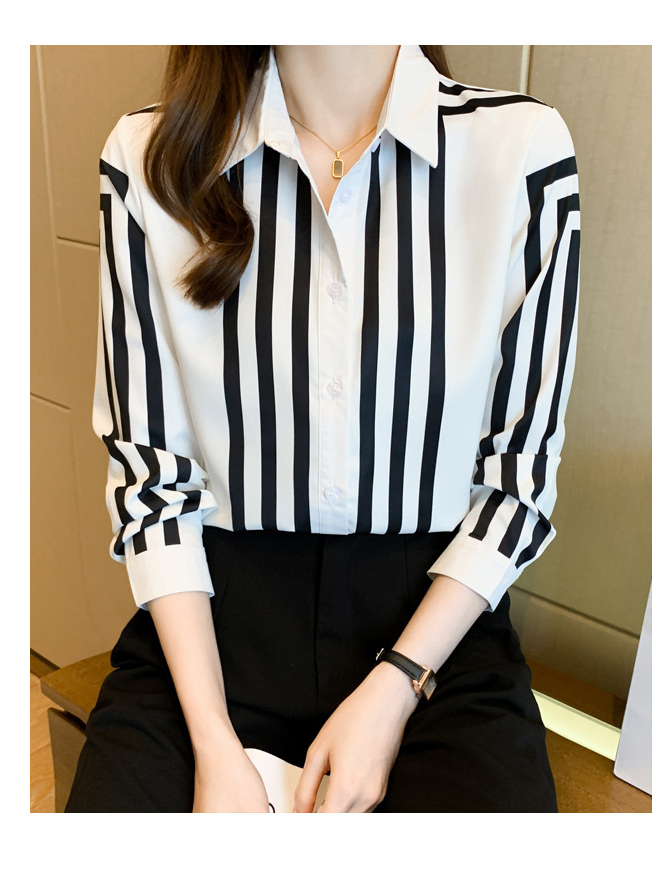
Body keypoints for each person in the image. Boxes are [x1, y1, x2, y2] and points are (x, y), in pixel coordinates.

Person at [65, 45, 580, 813]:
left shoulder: (520, 150)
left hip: (434, 630)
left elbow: (519, 478)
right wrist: (213, 742)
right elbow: (152, 481)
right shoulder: (148, 157)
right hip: (210, 622)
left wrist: (400, 680)